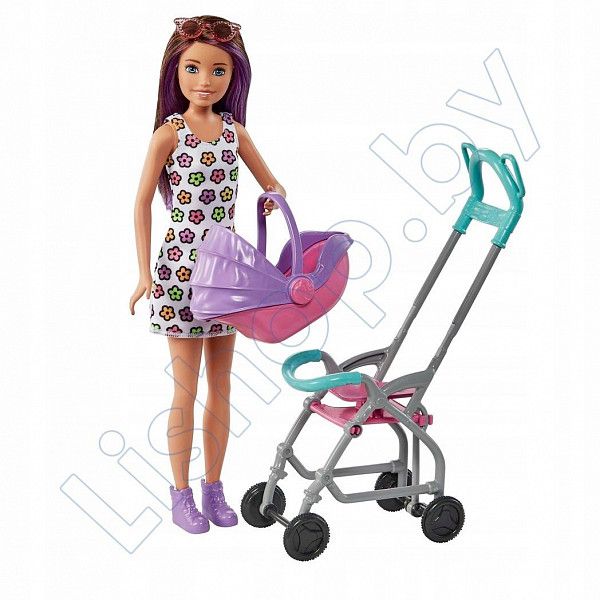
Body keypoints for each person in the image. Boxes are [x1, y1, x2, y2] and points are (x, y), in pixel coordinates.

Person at [129, 15, 285, 534]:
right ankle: (180, 494)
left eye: (218, 71)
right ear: (174, 71)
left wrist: (271, 199)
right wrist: (144, 273)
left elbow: (274, 184)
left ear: (233, 76)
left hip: (227, 272)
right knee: (185, 388)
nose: (205, 80)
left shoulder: (234, 132)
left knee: (222, 384)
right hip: (179, 270)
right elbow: (141, 203)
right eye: (193, 68)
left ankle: (214, 488)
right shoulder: (168, 134)